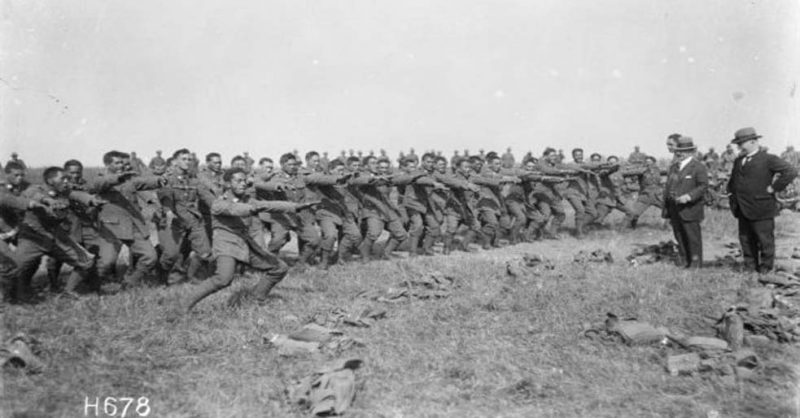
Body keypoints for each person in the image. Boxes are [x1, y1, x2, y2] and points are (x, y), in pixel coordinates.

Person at [179, 168, 313, 312]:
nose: (243, 184)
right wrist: (252, 209)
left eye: (244, 180)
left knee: (279, 268)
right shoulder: (219, 203)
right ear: (228, 184)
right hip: (226, 245)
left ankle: (256, 298)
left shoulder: (248, 200)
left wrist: (295, 207)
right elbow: (235, 208)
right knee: (223, 279)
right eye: (238, 181)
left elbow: (269, 204)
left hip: (245, 244)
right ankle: (182, 305)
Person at [88, 151, 165, 287]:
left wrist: (160, 180)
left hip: (133, 225)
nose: (121, 165)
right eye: (117, 163)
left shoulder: (130, 179)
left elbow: (144, 182)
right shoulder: (100, 179)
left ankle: (130, 283)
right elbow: (98, 185)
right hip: (111, 228)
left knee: (150, 257)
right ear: (107, 164)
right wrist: (117, 178)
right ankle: (93, 286)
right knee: (106, 263)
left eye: (123, 163)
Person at [727, 127, 798, 273]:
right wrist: (730, 193)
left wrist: (775, 187)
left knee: (764, 240)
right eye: (737, 144)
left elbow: (790, 171)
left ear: (753, 141)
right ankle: (750, 267)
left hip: (762, 207)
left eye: (741, 143)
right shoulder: (739, 160)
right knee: (746, 240)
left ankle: (765, 269)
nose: (739, 146)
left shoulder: (768, 159)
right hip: (742, 207)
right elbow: (734, 180)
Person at [663, 137, 708, 268]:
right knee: (679, 236)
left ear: (691, 152)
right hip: (674, 208)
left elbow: (703, 186)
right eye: (678, 151)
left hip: (690, 208)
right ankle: (684, 261)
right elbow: (669, 185)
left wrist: (689, 196)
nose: (679, 153)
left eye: (683, 151)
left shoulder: (698, 167)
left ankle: (695, 264)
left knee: (692, 238)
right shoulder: (674, 167)